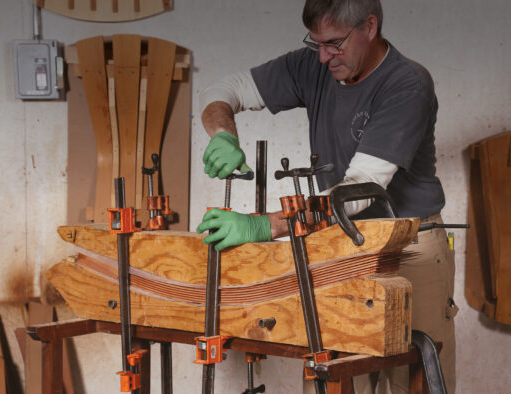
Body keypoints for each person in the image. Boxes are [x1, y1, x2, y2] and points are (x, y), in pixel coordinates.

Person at [195, 0, 457, 392]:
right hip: (341, 245)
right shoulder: (314, 64)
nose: (322, 56)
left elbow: (355, 193)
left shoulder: (407, 83)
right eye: (315, 42)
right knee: (331, 375)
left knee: (413, 379)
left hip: (409, 248)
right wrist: (223, 133)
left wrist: (264, 225)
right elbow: (224, 90)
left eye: (334, 43)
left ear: (370, 26)